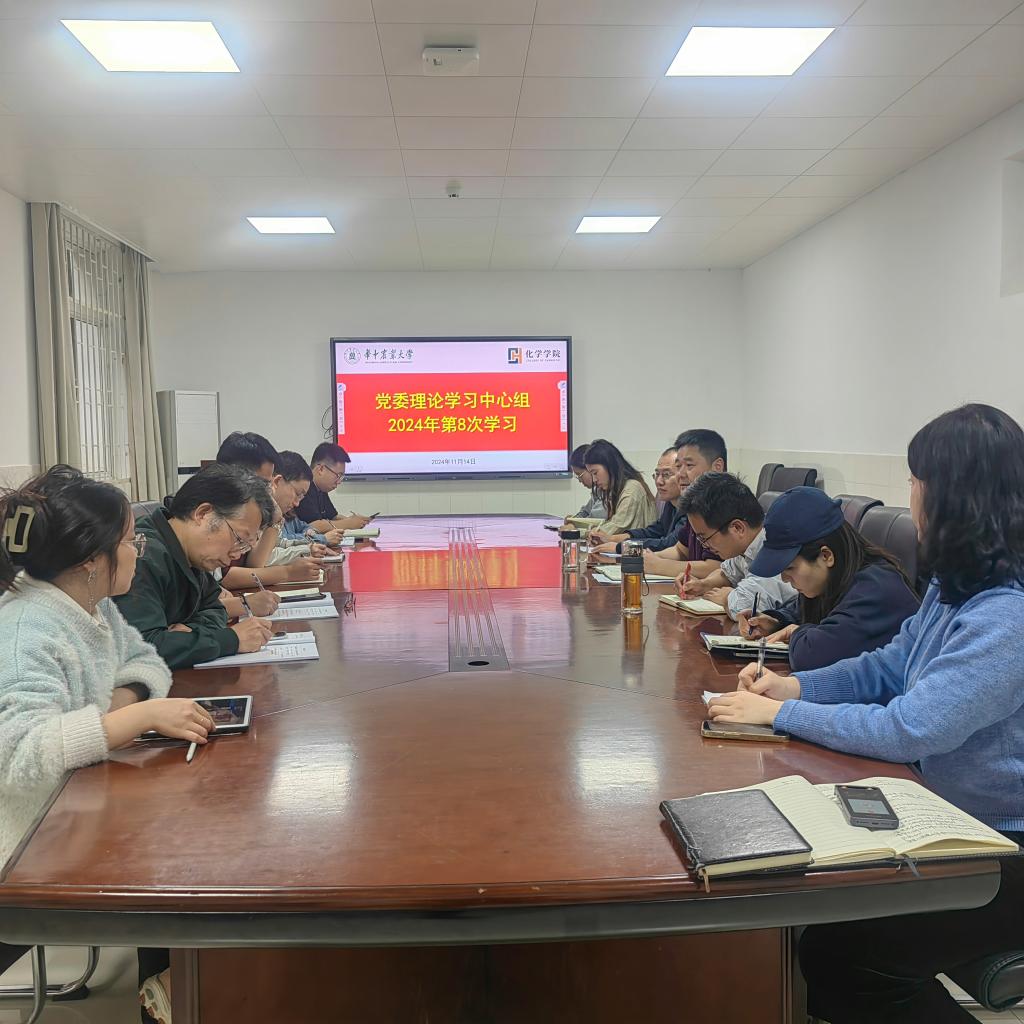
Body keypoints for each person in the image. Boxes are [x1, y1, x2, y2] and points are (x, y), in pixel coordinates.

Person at [707, 404, 1024, 1024]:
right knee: (819, 923)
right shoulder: (956, 585)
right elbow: (889, 666)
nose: (910, 493)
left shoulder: (1005, 615)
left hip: (1003, 842)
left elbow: (909, 727)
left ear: (954, 497)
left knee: (848, 960)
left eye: (916, 480)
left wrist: (779, 717)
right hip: (949, 814)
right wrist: (793, 688)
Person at [0, 466, 215, 998]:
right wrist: (135, 719)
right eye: (130, 541)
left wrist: (118, 710)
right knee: (181, 853)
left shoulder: (90, 606)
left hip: (76, 799)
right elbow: (21, 753)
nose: (138, 552)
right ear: (92, 561)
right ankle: (174, 990)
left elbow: (146, 661)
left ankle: (177, 986)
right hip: (28, 839)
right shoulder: (28, 627)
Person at [736, 486, 920, 671]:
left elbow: (813, 655)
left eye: (790, 568)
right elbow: (799, 610)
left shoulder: (877, 590)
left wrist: (796, 632)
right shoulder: (834, 581)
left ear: (826, 556)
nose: (784, 579)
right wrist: (775, 622)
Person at [114, 464, 278, 670]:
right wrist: (230, 640)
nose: (237, 554)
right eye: (238, 539)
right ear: (203, 514)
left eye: (245, 547)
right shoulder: (141, 555)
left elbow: (215, 608)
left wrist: (191, 637)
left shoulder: (191, 553)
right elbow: (143, 647)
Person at [670, 472, 796, 617]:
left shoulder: (774, 547)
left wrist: (727, 597)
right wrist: (703, 584)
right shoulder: (747, 546)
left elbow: (744, 607)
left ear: (737, 528)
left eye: (705, 538)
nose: (704, 546)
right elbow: (727, 573)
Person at [217, 435, 324, 589]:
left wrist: (276, 519)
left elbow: (255, 564)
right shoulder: (219, 511)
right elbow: (225, 578)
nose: (269, 490)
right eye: (265, 484)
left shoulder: (253, 512)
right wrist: (288, 573)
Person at [638, 429, 727, 576]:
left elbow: (718, 567)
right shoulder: (695, 503)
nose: (680, 474)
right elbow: (680, 550)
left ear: (717, 467)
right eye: (678, 466)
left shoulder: (727, 503)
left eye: (689, 465)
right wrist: (646, 557)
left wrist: (659, 566)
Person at [591, 446, 682, 552]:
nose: (659, 481)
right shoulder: (670, 503)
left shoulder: (690, 509)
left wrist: (621, 547)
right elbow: (655, 531)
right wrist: (613, 539)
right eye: (657, 474)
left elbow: (668, 544)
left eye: (666, 474)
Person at [583, 439, 657, 536]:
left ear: (610, 465)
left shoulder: (632, 489)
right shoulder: (618, 488)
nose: (594, 480)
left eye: (595, 473)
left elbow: (616, 526)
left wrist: (584, 533)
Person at [295, 442, 371, 534]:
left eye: (341, 476)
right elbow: (312, 526)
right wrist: (348, 523)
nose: (339, 481)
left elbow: (332, 517)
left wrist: (354, 521)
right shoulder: (304, 487)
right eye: (338, 475)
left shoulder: (321, 488)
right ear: (321, 469)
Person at [565, 443, 607, 522]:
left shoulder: (610, 489)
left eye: (579, 475)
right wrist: (573, 519)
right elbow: (586, 512)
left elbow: (595, 518)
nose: (580, 480)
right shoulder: (598, 490)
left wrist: (574, 524)